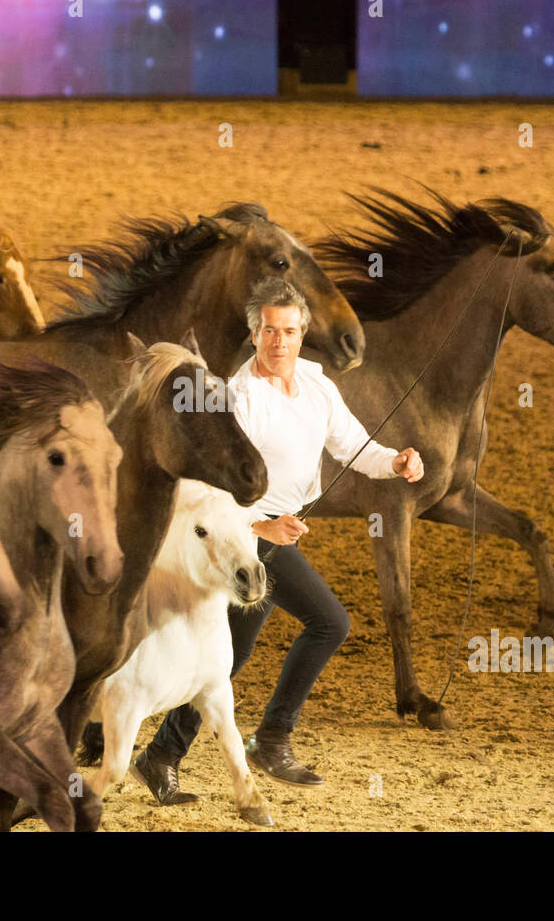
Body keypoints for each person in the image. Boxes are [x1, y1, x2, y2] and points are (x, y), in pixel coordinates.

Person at [131, 276, 424, 801]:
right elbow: (206, 492)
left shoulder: (317, 386)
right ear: (254, 333)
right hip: (244, 538)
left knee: (230, 659)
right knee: (329, 622)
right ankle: (270, 739)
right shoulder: (239, 398)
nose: (279, 341)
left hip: (277, 533)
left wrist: (395, 462)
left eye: (288, 331)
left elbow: (353, 447)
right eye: (269, 330)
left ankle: (161, 755)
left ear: (302, 332)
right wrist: (261, 528)